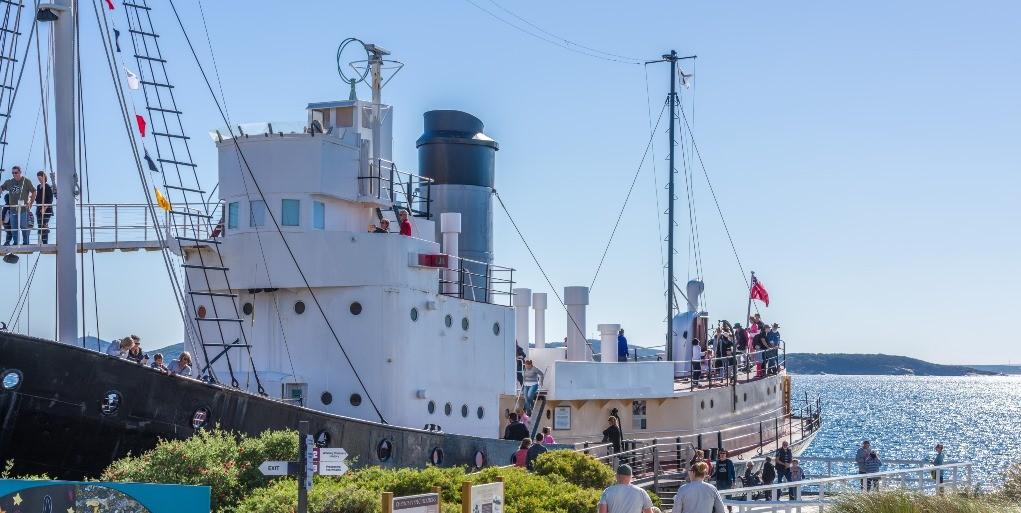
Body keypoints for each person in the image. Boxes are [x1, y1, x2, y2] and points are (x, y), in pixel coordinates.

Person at [1, 166, 35, 245]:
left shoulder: (26, 181)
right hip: (13, 210)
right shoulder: (9, 182)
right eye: (13, 173)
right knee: (14, 228)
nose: (14, 174)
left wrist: (30, 203)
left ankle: (26, 243)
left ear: (20, 172)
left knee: (24, 227)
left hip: (23, 209)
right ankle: (16, 243)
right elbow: (2, 188)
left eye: (16, 172)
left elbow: (33, 191)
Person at [35, 171, 54, 244]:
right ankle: (42, 241)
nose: (39, 180)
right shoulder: (38, 186)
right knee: (40, 225)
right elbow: (38, 198)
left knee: (44, 224)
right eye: (38, 178)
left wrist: (45, 208)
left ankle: (45, 242)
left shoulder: (48, 186)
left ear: (44, 177)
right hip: (39, 209)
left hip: (47, 209)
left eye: (40, 178)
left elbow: (50, 199)